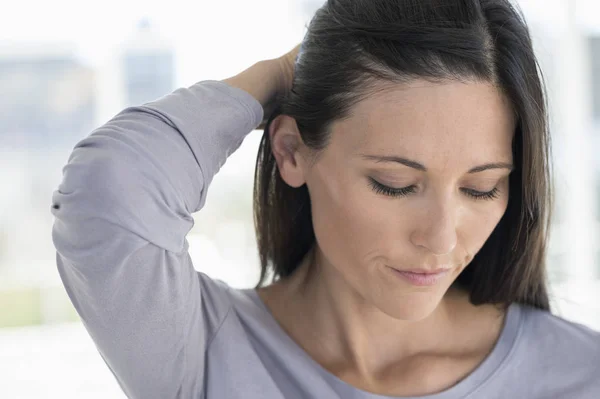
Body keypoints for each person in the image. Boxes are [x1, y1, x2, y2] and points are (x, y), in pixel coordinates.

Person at [51, 0, 600, 398]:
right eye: (395, 183)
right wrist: (284, 72)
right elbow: (110, 189)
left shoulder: (582, 373)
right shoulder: (204, 356)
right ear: (291, 150)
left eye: (481, 188)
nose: (441, 237)